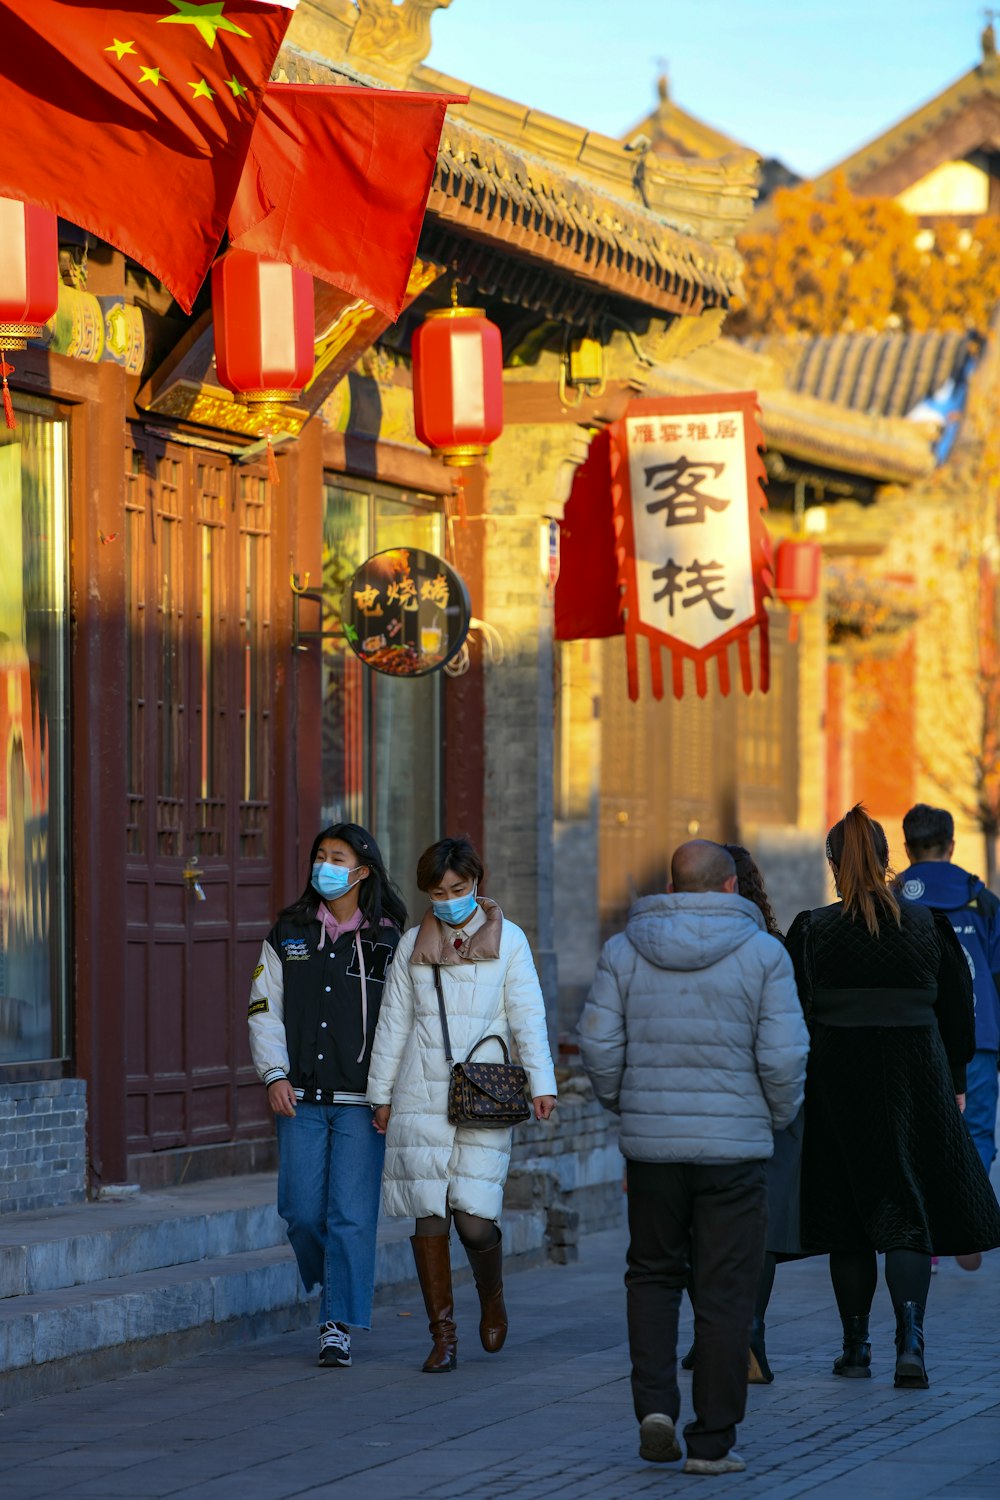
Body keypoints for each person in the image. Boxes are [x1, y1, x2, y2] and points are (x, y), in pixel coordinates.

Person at [578, 840, 809, 1477]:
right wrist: (774, 1115)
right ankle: (711, 1441)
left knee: (652, 1275)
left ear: (674, 888)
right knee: (724, 1291)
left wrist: (627, 1103)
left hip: (653, 1150)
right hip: (735, 1151)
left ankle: (654, 1408)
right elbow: (785, 1057)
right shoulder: (765, 954)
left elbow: (597, 1045)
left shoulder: (624, 951)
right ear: (731, 887)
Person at [786, 804, 1000, 1392]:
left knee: (847, 1218)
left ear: (833, 864)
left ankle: (856, 1348)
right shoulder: (927, 924)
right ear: (888, 861)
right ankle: (912, 1343)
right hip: (917, 1076)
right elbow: (959, 1010)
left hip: (837, 1079)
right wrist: (955, 1079)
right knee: (909, 1209)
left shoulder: (812, 929)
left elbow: (793, 1012)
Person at [366, 836, 557, 1374]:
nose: (449, 899)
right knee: (429, 1217)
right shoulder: (411, 946)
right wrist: (380, 1094)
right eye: (438, 891)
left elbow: (528, 1016)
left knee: (474, 1222)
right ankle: (442, 1336)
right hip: (421, 1093)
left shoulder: (510, 941)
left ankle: (491, 1295)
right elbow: (393, 1025)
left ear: (477, 883)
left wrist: (542, 1084)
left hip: (485, 1094)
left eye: (459, 888)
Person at [248, 823, 406, 1370]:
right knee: (300, 1211)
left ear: (362, 871)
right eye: (320, 856)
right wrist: (273, 1073)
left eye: (337, 858)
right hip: (301, 1098)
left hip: (363, 1102)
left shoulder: (391, 938)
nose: (325, 866)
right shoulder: (289, 930)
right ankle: (335, 1281)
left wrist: (389, 1091)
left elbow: (404, 1021)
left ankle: (335, 1323)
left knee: (350, 1216)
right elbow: (263, 1007)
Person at [680, 843, 801, 1385]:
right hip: (755, 1106)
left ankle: (710, 1333)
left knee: (692, 1222)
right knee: (757, 1223)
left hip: (689, 1104)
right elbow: (785, 1040)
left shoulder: (668, 945)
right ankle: (747, 1328)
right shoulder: (772, 948)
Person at [898, 803, 1000, 1205]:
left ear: (907, 849)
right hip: (980, 1035)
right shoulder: (983, 900)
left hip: (911, 1034)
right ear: (951, 846)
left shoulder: (891, 898)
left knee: (916, 1131)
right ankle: (968, 1211)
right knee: (976, 1128)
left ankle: (927, 1227)